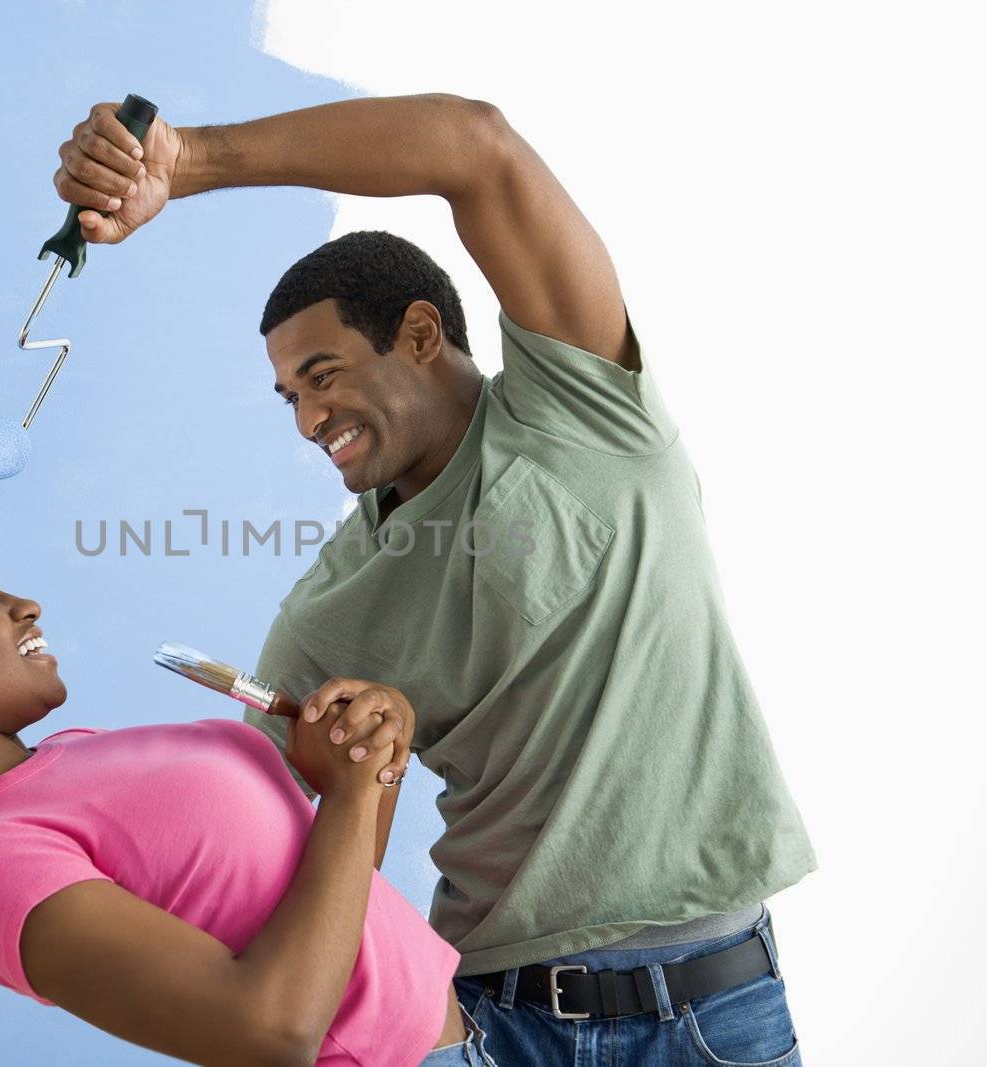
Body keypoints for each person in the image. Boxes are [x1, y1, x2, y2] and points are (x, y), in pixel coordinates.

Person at [52, 91, 815, 1064]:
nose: (305, 419)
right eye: (289, 395)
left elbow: (474, 145)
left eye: (322, 374)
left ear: (419, 333)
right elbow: (288, 873)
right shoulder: (335, 605)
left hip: (718, 998)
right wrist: (348, 784)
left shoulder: (581, 409)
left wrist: (191, 157)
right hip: (492, 1019)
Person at [0, 528, 501, 1067]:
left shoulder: (66, 758)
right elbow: (271, 1031)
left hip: (477, 1035)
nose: (24, 605)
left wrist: (371, 763)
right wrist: (345, 797)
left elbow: (342, 911)